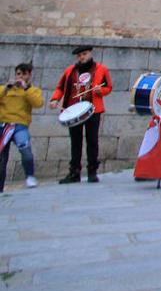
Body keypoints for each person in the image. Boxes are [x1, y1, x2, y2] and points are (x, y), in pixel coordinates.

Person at [49, 45, 112, 184]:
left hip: (93, 110)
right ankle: (74, 173)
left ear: (90, 53)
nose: (82, 57)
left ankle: (92, 171)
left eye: (84, 54)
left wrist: (100, 91)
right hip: (73, 110)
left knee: (92, 141)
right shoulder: (70, 71)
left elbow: (108, 87)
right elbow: (60, 88)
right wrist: (54, 99)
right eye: (79, 56)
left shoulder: (101, 69)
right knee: (75, 142)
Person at [0, 63, 44, 190]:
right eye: (18, 74)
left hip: (20, 125)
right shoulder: (5, 89)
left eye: (24, 74)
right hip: (3, 125)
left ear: (29, 75)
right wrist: (5, 89)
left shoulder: (33, 90)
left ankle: (30, 176)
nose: (20, 77)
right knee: (2, 156)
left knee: (25, 150)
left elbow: (38, 103)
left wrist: (26, 89)